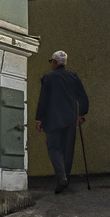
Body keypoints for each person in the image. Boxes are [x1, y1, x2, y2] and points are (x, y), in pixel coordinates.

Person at [36, 50, 89, 193]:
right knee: (68, 149)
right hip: (70, 119)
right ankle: (65, 178)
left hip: (53, 120)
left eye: (51, 62)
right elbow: (82, 96)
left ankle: (62, 177)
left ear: (54, 62)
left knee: (54, 148)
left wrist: (39, 118)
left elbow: (43, 100)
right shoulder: (73, 76)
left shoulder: (48, 78)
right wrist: (82, 113)